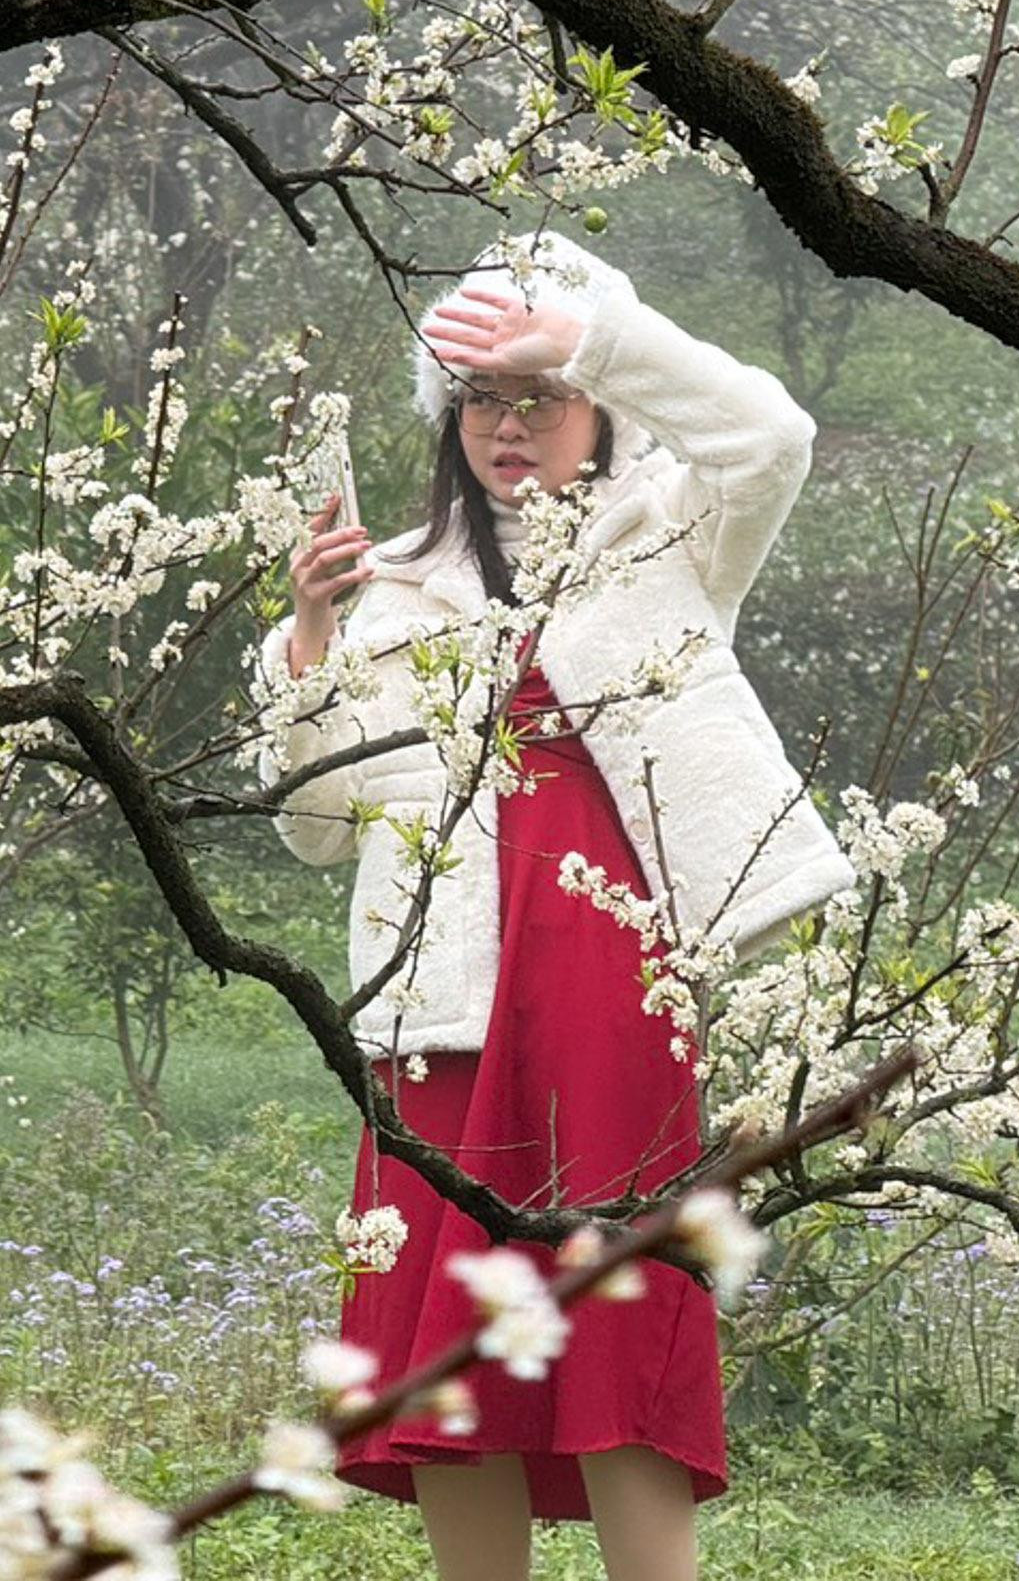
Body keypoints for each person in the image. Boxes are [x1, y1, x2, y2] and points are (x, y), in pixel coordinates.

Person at [251, 229, 856, 1581]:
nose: (508, 427)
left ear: (599, 408)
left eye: (540, 398)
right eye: (481, 401)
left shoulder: (671, 534)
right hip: (439, 992)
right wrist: (304, 647)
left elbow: (769, 433)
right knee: (445, 1346)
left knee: (617, 1303)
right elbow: (308, 829)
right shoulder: (390, 585)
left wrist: (585, 332)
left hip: (610, 981)